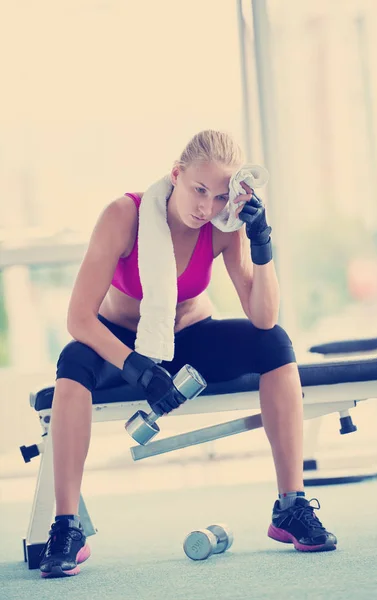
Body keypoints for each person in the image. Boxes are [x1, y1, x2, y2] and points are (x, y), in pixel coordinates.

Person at [39, 130, 337, 578]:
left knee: (275, 344)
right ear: (176, 175)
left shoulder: (223, 228)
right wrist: (136, 368)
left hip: (191, 338)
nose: (206, 207)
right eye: (199, 190)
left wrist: (261, 244)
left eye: (219, 197)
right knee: (73, 361)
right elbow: (80, 318)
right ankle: (67, 525)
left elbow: (263, 318)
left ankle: (290, 507)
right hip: (119, 341)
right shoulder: (125, 216)